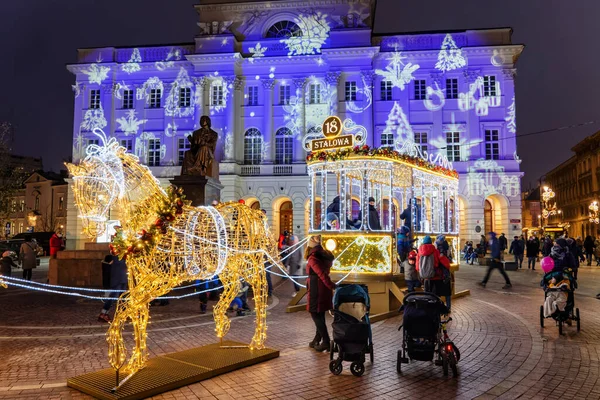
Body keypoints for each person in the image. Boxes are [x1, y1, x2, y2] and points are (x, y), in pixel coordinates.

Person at [305, 235, 336, 352]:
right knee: (320, 314)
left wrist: (331, 285)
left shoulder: (313, 258)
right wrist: (330, 286)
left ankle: (326, 341)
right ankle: (317, 339)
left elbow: (321, 274)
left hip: (316, 289)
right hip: (322, 289)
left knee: (315, 313)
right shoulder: (322, 255)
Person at [98, 255, 128, 323]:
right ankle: (103, 314)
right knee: (113, 297)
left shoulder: (124, 256)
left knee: (123, 298)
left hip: (123, 279)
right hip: (117, 280)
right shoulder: (116, 256)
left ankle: (123, 314)